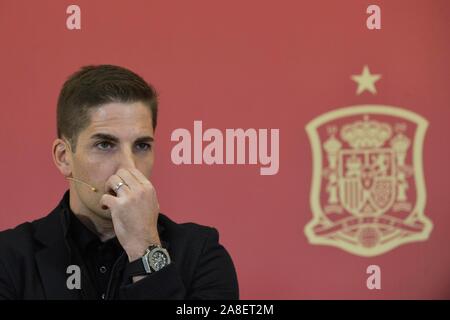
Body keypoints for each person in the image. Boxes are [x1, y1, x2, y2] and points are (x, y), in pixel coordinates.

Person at [0, 65, 239, 300]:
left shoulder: (201, 255)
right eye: (105, 145)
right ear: (64, 157)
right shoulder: (9, 258)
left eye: (142, 146)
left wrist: (145, 246)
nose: (129, 166)